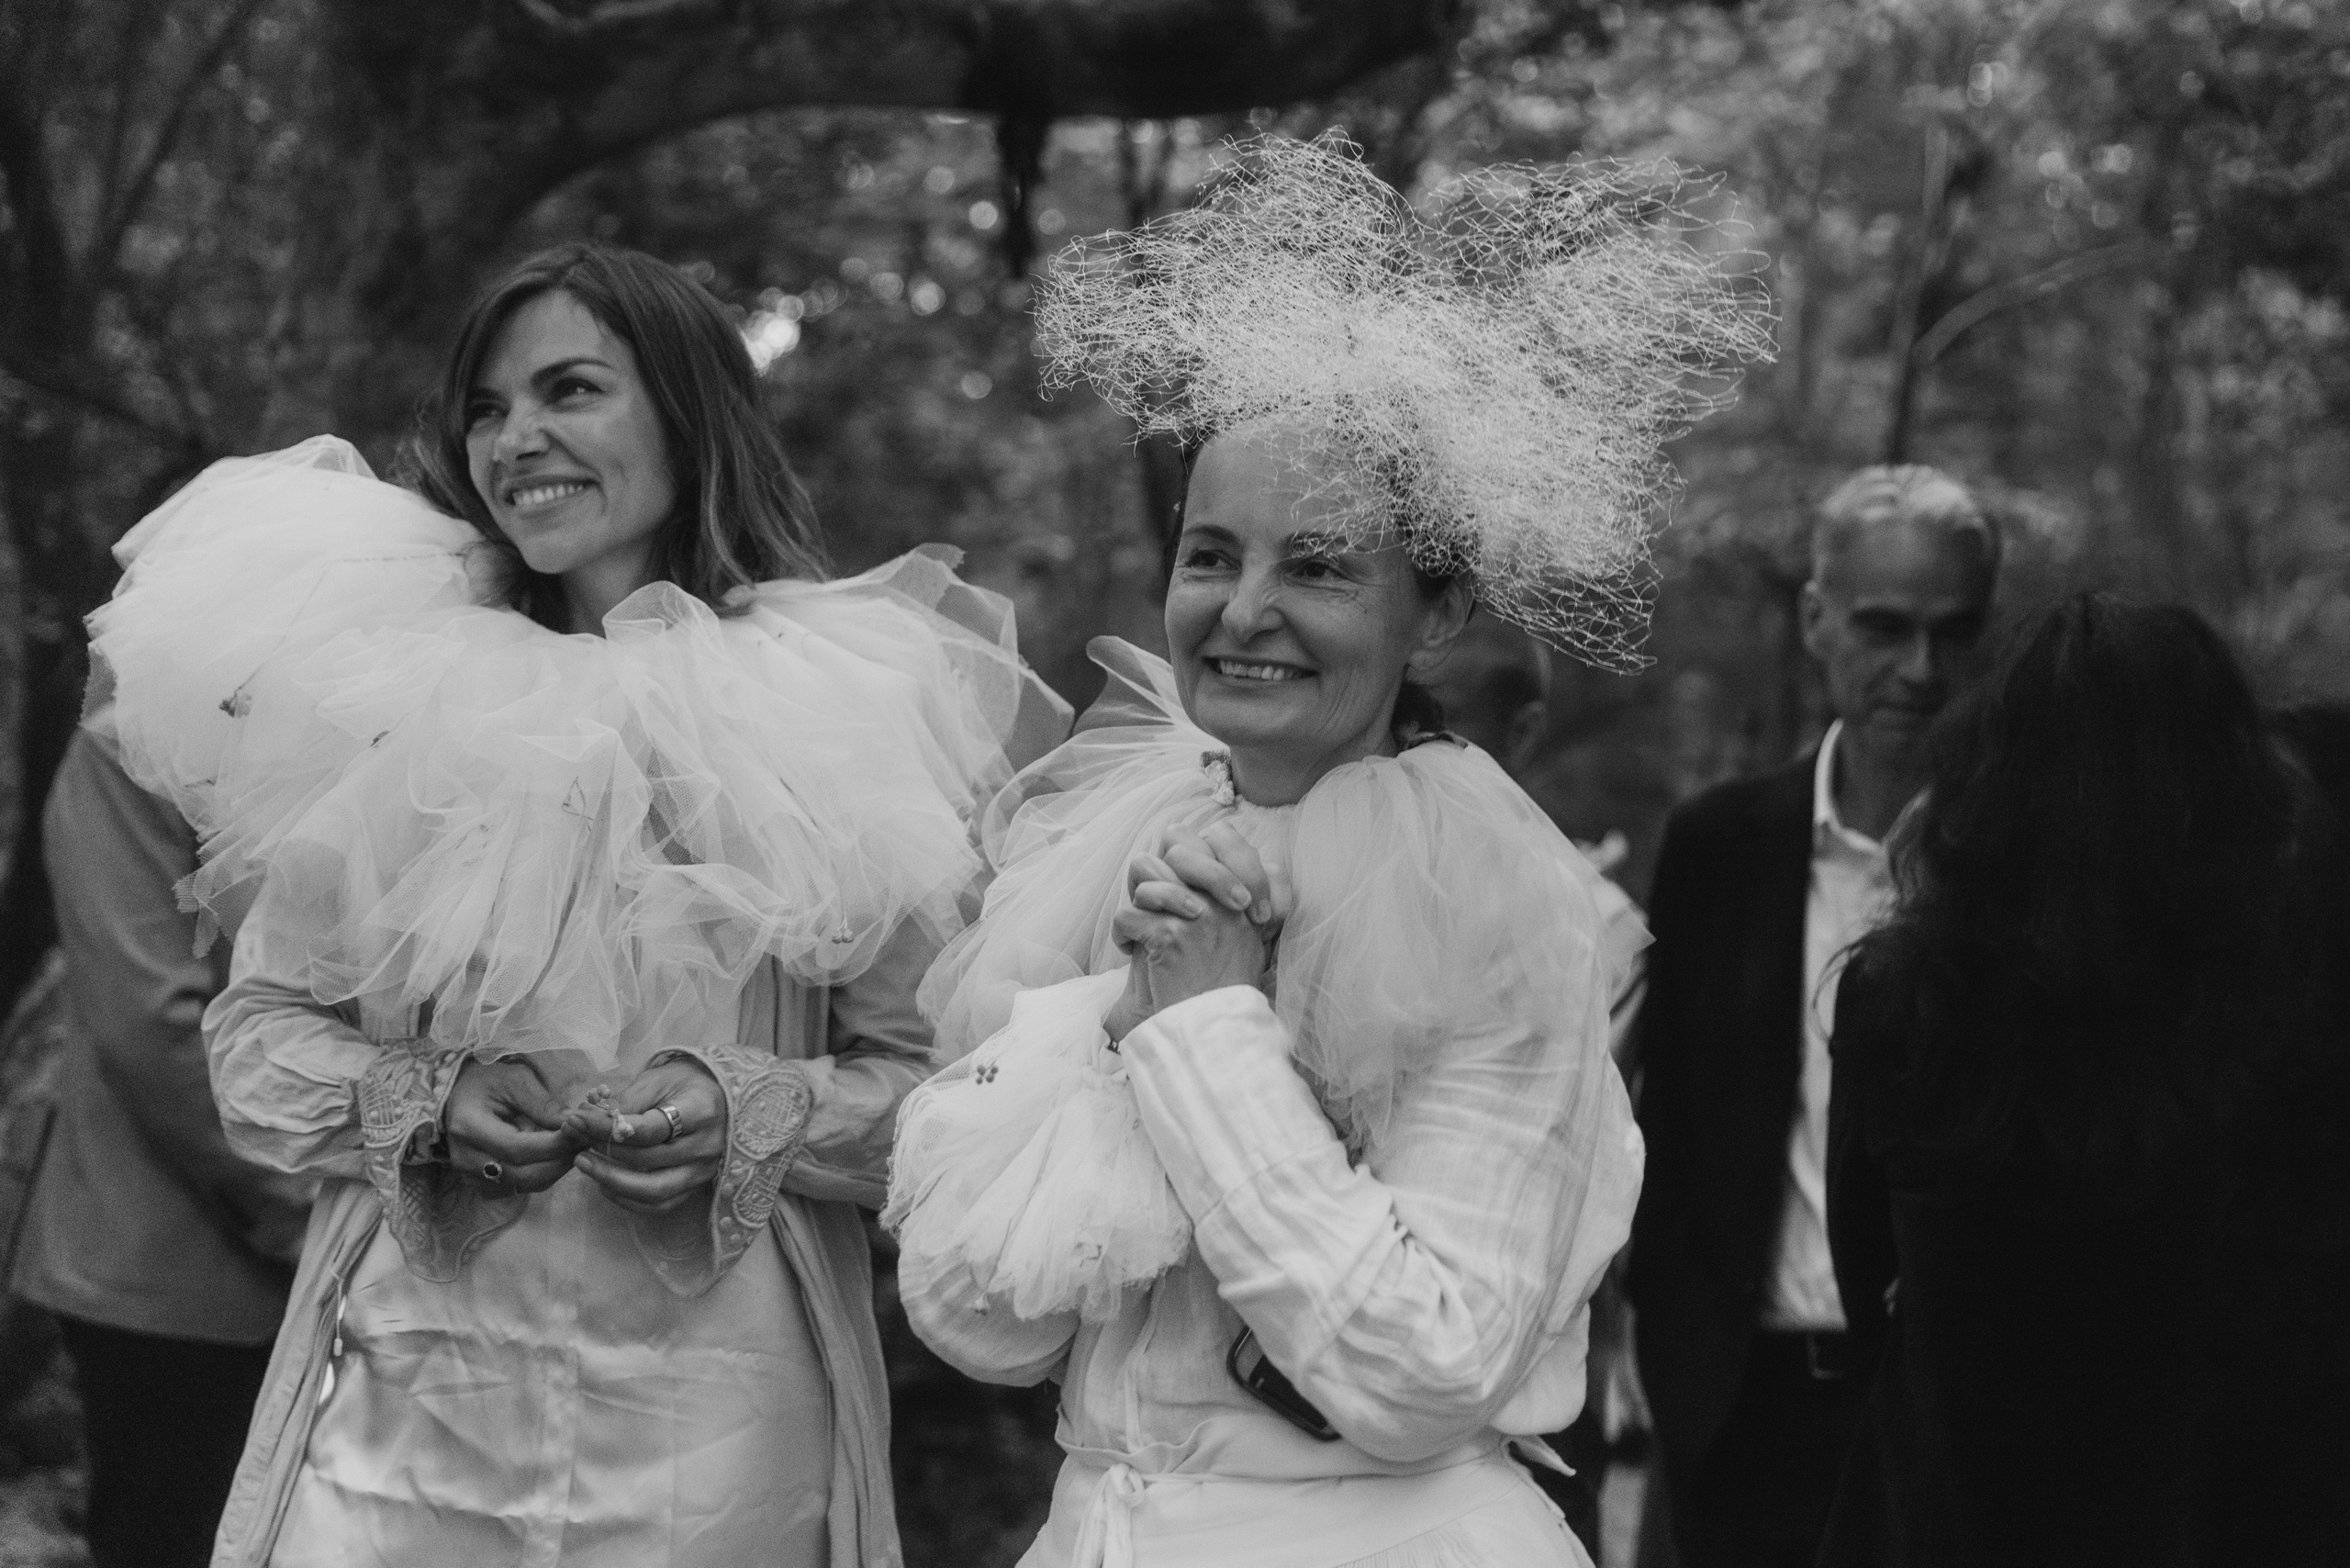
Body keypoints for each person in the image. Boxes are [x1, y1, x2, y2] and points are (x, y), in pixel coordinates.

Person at [82, 242, 1065, 1567]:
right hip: (411, 1410)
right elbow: (256, 1042)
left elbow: (947, 1092)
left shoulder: (839, 710)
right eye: (487, 408)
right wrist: (423, 1100)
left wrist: (747, 1108)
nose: (516, 438)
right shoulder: (397, 700)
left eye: (571, 390)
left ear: (685, 410)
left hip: (712, 1436)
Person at [885, 133, 1770, 1568]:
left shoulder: (1494, 901)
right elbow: (980, 1316)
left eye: (1320, 564)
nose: (1242, 611)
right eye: (1212, 553)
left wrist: (1214, 1031)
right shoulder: (1125, 840)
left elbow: (1422, 1370)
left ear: (1435, 613)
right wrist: (1122, 1017)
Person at [1822, 596, 2350, 1565]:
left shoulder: (1900, 1003)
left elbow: (1864, 1278)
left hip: (1956, 1512)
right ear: (2225, 781)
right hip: (2216, 1513)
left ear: (1985, 777)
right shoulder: (2287, 1011)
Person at [1627, 465, 1998, 1567]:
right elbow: (1678, 1116)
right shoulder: (1717, 846)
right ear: (1816, 620)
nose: (1919, 670)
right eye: (1884, 627)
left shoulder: (2022, 861)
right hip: (1746, 1407)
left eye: (1954, 631)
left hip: (1948, 1413)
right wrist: (1677, 1354)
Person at [4, 726, 311, 1568]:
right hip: (179, 1271)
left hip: (333, 1267)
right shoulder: (130, 746)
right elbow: (154, 1030)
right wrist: (313, 1222)